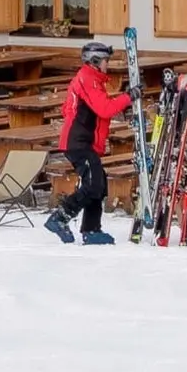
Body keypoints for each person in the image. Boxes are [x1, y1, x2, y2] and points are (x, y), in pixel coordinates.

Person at [46, 40, 132, 246]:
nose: (107, 64)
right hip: (78, 143)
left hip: (85, 141)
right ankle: (60, 217)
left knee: (99, 185)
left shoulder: (92, 79)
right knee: (93, 184)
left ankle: (91, 229)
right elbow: (104, 108)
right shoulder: (88, 79)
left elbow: (71, 108)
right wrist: (127, 98)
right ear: (93, 61)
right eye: (104, 60)